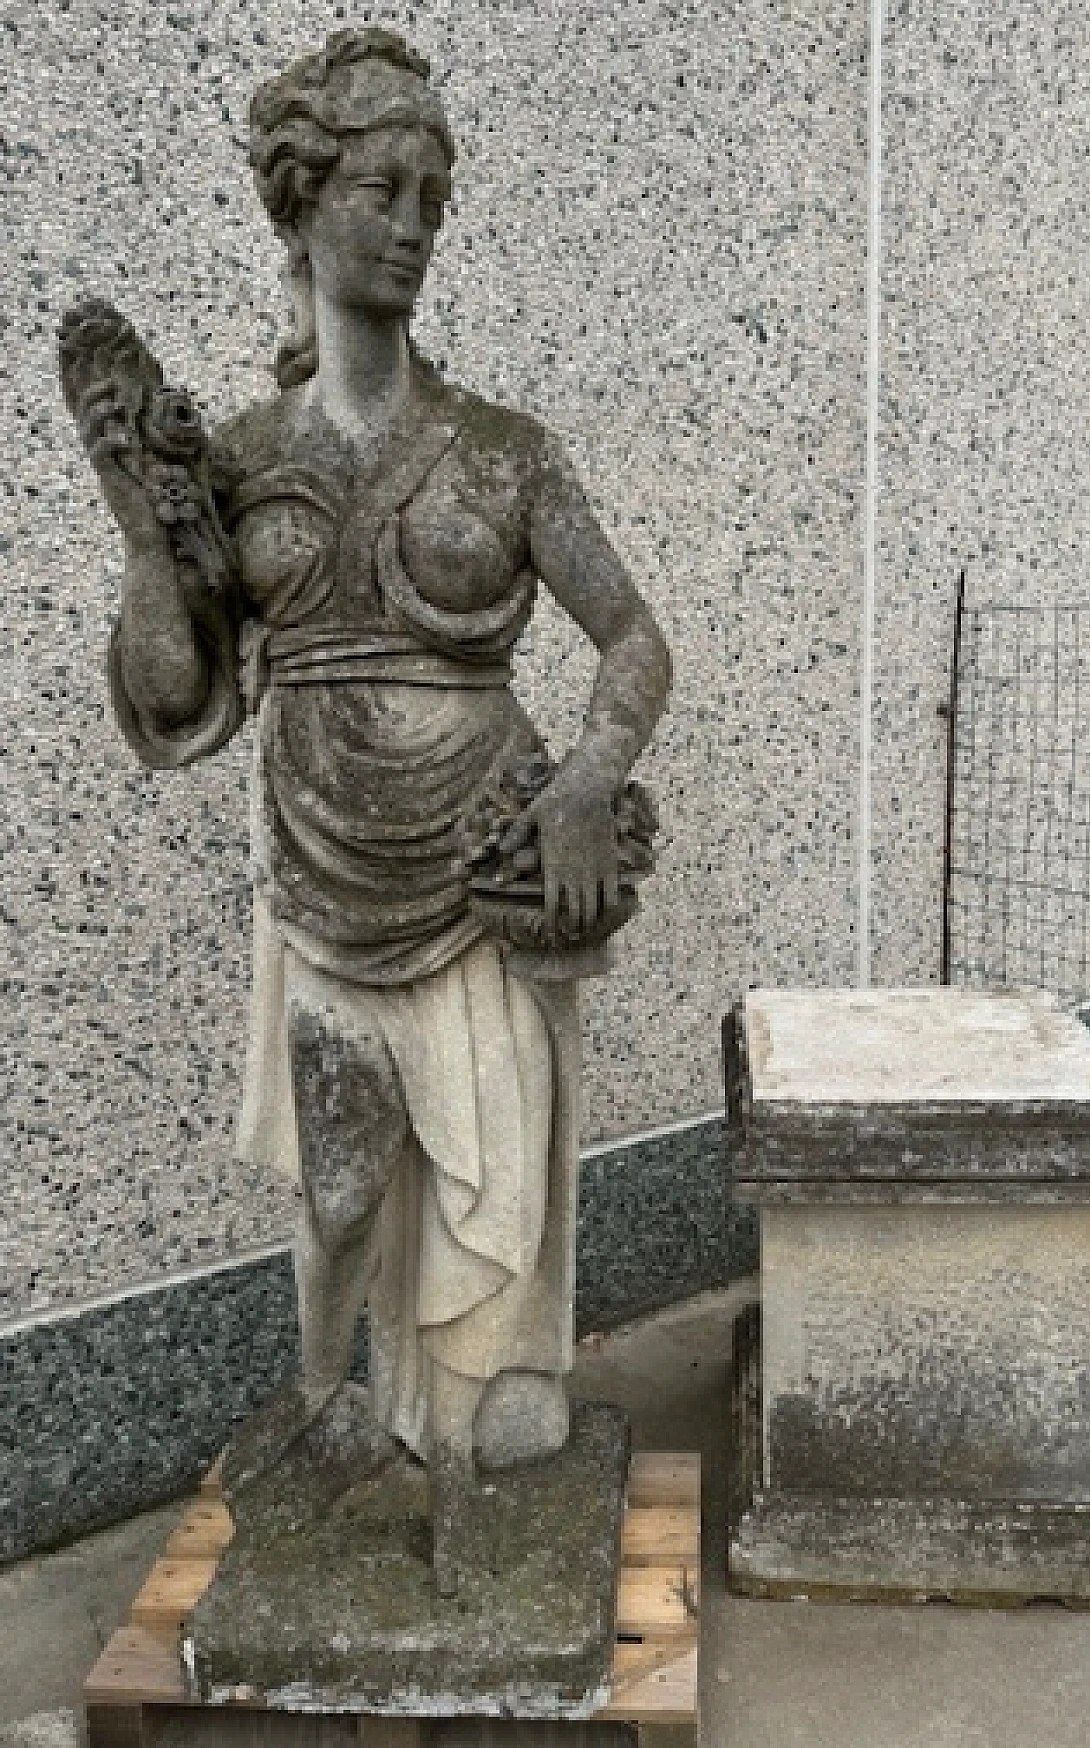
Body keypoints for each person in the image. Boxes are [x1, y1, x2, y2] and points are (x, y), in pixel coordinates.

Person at [74, 28, 672, 1484]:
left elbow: (635, 641)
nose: (409, 226)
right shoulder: (227, 457)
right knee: (340, 1187)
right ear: (300, 203)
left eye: (429, 198)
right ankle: (325, 1411)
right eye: (378, 191)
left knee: (494, 1174)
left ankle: (476, 1411)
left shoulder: (504, 450)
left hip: (488, 862)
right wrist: (146, 530)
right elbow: (172, 696)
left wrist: (589, 779)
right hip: (322, 867)